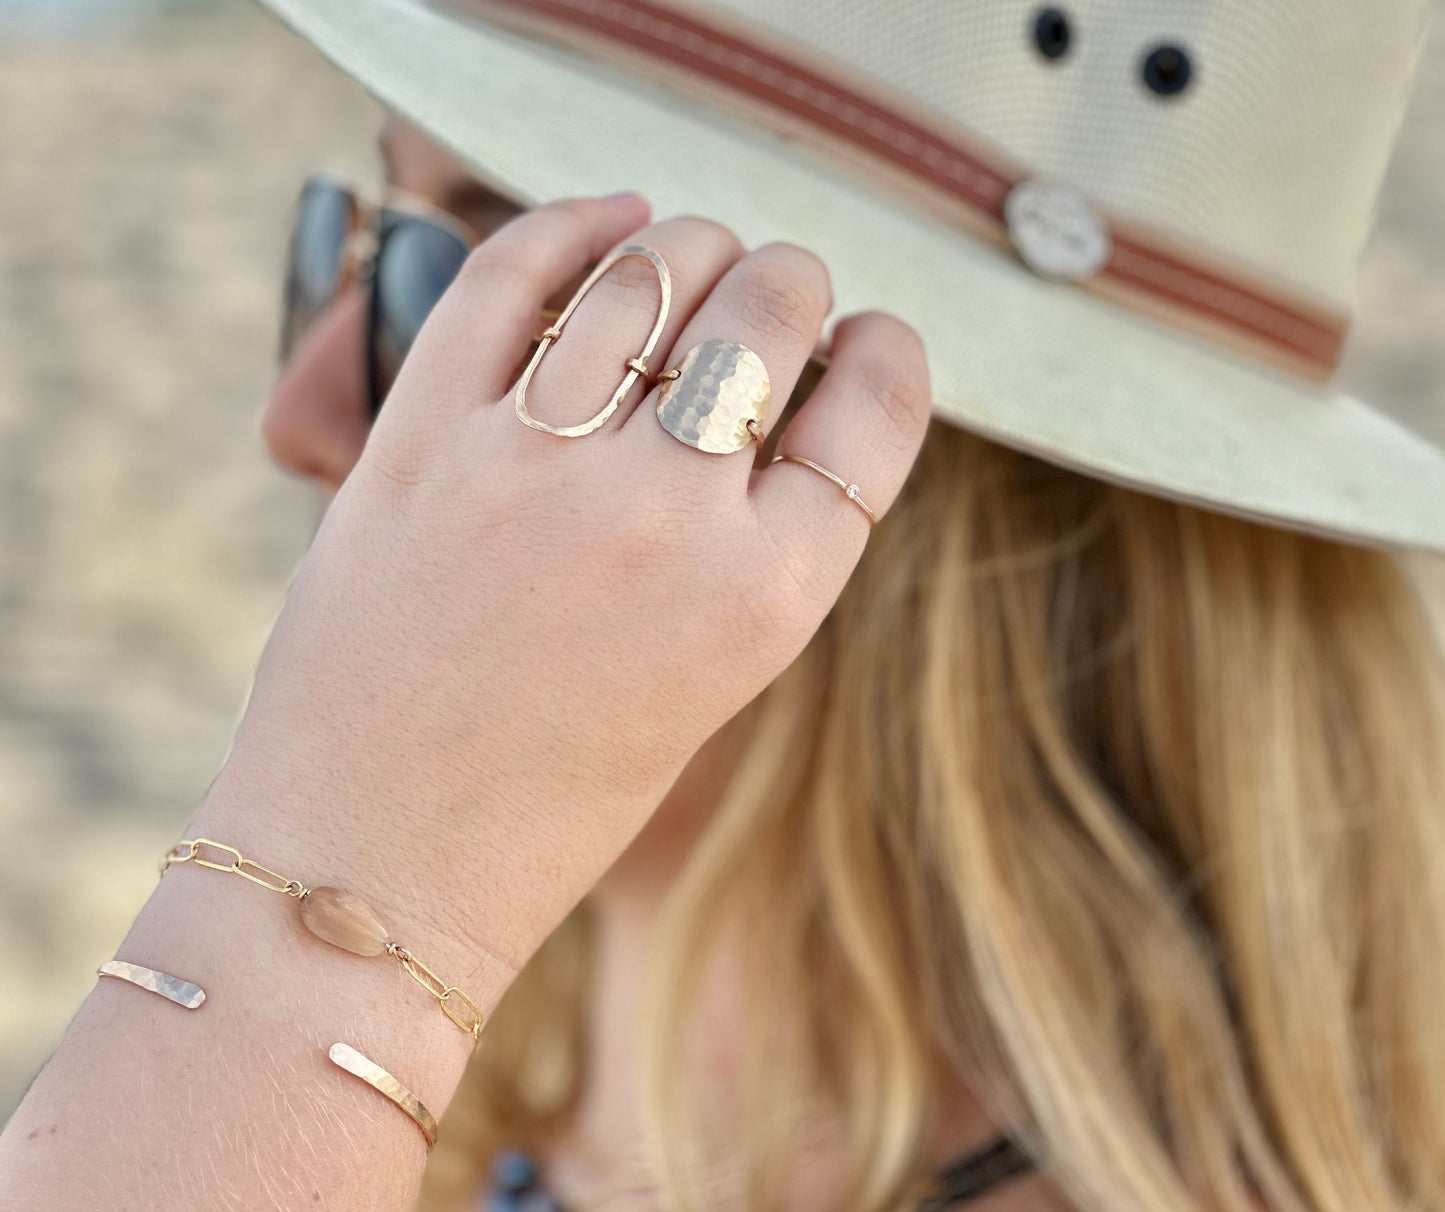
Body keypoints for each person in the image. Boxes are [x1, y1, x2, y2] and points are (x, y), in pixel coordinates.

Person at [4, 2, 1445, 1211]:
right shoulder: (478, 1120)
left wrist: (322, 906)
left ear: (876, 474)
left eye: (499, 313)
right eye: (357, 243)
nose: (303, 413)